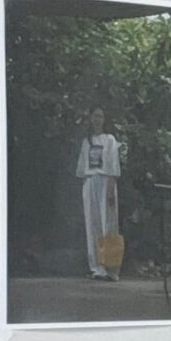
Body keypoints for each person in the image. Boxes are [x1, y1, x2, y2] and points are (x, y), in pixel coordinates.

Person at [74, 104, 122, 279]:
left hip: (105, 182)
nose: (97, 119)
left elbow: (113, 166)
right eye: (95, 116)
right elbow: (82, 169)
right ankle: (96, 267)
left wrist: (110, 188)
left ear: (104, 119)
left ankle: (111, 269)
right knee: (92, 225)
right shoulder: (86, 141)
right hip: (90, 183)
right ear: (90, 118)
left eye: (100, 116)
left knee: (108, 224)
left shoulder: (109, 139)